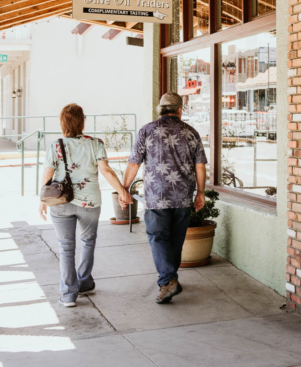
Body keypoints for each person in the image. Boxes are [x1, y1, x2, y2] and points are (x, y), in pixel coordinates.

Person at [39, 104, 130, 307]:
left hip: (61, 202)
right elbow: (106, 171)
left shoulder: (55, 145)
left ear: (62, 122)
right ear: (83, 121)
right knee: (88, 241)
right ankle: (84, 281)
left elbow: (47, 174)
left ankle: (69, 294)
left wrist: (42, 199)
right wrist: (123, 191)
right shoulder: (95, 144)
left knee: (66, 248)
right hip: (90, 202)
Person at [122, 92, 207, 304]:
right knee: (175, 242)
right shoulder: (191, 133)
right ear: (180, 109)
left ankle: (168, 280)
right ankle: (170, 280)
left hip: (156, 197)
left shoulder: (147, 131)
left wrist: (124, 189)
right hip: (183, 196)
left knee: (158, 238)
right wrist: (201, 192)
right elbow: (200, 166)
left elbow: (134, 163)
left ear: (161, 109)